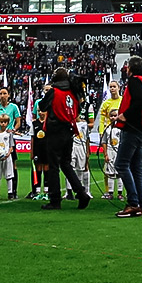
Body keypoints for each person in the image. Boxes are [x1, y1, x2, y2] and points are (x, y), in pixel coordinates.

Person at [36, 68, 91, 210]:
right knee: (66, 164)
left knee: (54, 166)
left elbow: (42, 106)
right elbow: (77, 110)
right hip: (69, 130)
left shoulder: (54, 92)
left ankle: (55, 200)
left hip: (55, 131)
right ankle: (81, 193)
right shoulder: (73, 92)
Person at [112, 56, 142, 218]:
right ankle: (139, 204)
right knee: (136, 168)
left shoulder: (135, 80)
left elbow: (139, 101)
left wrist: (125, 115)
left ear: (130, 68)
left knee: (121, 164)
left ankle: (133, 202)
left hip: (133, 128)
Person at [0, 86, 22, 199]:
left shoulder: (13, 107)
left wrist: (13, 130)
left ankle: (13, 191)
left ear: (8, 95)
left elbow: (18, 122)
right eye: (0, 93)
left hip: (8, 137)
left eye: (4, 93)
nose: (2, 95)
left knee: (12, 165)